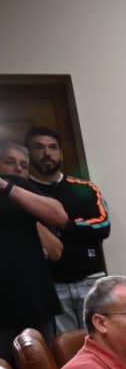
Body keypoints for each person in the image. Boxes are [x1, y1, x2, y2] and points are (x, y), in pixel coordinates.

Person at [25, 125, 111, 335]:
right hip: (51, 286)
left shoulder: (85, 188)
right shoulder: (24, 192)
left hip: (90, 279)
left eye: (53, 147)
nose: (47, 153)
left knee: (101, 341)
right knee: (63, 350)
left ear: (61, 153)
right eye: (39, 147)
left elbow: (102, 227)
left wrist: (63, 224)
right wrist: (80, 227)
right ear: (29, 153)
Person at [0, 142, 67, 355]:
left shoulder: (22, 193)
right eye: (10, 162)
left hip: (35, 301)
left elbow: (59, 218)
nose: (18, 169)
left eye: (24, 165)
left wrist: (7, 187)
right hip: (3, 307)